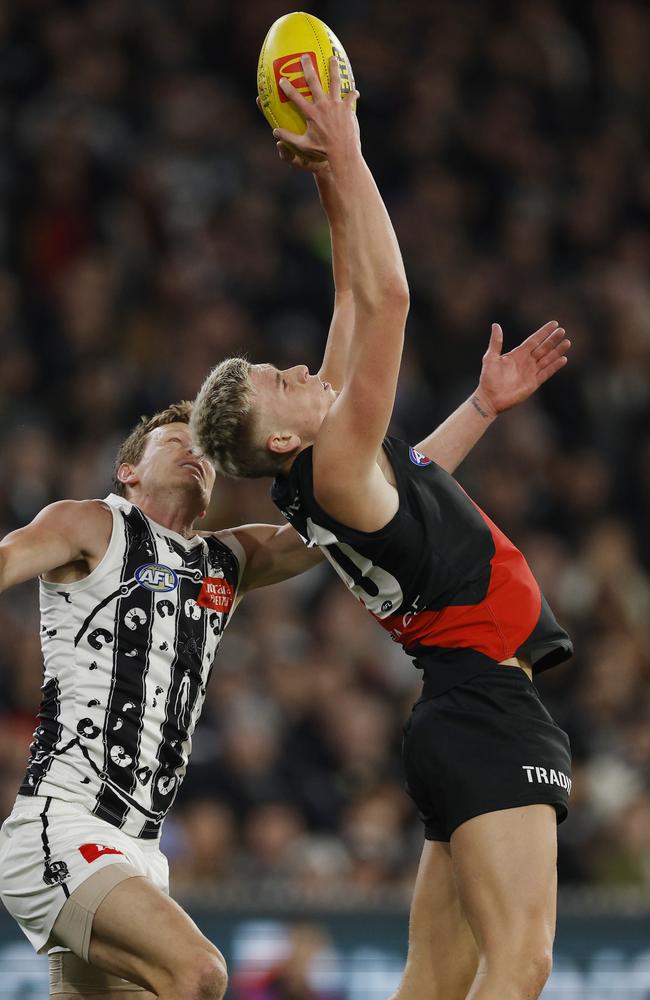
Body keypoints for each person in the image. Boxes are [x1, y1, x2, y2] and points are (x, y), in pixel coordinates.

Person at [0, 102, 546, 1000]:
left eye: (205, 450)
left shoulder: (229, 561)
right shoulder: (89, 524)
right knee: (201, 974)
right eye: (173, 438)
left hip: (137, 846)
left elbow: (390, 496)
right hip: (63, 824)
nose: (194, 452)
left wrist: (479, 411)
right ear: (127, 473)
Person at [191, 57, 573, 1000]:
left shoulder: (325, 479)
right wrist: (352, 152)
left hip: (453, 715)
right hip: (485, 708)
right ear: (281, 434)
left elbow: (349, 305)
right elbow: (388, 299)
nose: (294, 367)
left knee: (434, 982)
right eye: (279, 379)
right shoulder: (333, 458)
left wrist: (327, 173)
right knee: (518, 967)